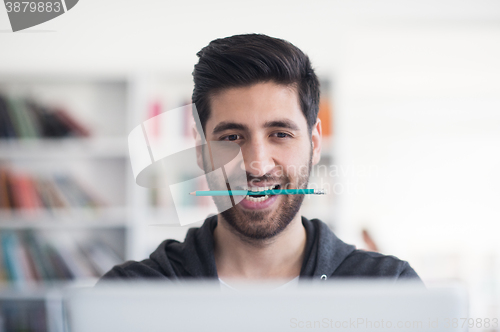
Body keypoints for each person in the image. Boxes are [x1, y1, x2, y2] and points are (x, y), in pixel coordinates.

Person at [100, 33, 421, 288]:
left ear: (314, 143)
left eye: (280, 134)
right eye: (231, 137)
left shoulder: (388, 288)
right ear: (201, 150)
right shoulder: (130, 292)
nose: (257, 165)